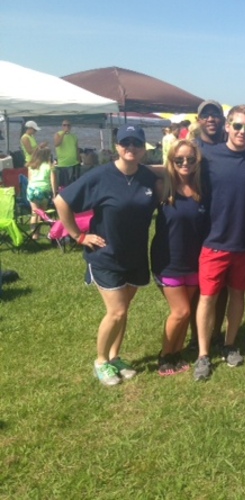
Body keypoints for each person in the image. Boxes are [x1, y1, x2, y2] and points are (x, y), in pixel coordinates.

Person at [54, 125, 161, 386]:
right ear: (117, 146)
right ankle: (100, 361)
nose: (131, 148)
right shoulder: (100, 176)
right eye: (125, 143)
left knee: (124, 312)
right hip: (106, 256)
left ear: (143, 148)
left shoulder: (148, 177)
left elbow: (173, 170)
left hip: (135, 257)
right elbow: (61, 201)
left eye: (136, 143)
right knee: (116, 311)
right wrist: (79, 236)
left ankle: (115, 357)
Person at [193, 105, 245, 381]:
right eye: (237, 126)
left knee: (238, 294)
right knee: (208, 298)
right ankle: (203, 354)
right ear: (227, 126)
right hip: (214, 241)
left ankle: (229, 344)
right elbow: (176, 169)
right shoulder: (208, 155)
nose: (242, 132)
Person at [150, 139, 208, 376]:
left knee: (188, 311)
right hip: (168, 261)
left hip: (194, 261)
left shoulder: (201, 188)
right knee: (181, 311)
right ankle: (164, 355)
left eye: (191, 159)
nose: (185, 163)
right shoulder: (163, 187)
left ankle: (177, 352)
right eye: (179, 159)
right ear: (171, 161)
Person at [26, 147, 57, 240]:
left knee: (34, 212)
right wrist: (55, 193)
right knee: (42, 213)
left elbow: (29, 179)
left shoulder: (31, 166)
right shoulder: (50, 166)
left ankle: (34, 235)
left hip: (31, 189)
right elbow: (53, 181)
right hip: (43, 190)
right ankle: (38, 232)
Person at [54, 120, 80, 187]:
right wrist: (63, 133)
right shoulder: (58, 134)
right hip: (63, 164)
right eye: (64, 125)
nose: (66, 127)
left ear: (70, 126)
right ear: (62, 126)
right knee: (64, 185)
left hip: (74, 163)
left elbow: (77, 149)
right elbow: (57, 144)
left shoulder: (74, 136)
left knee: (73, 184)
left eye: (68, 125)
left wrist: (79, 160)